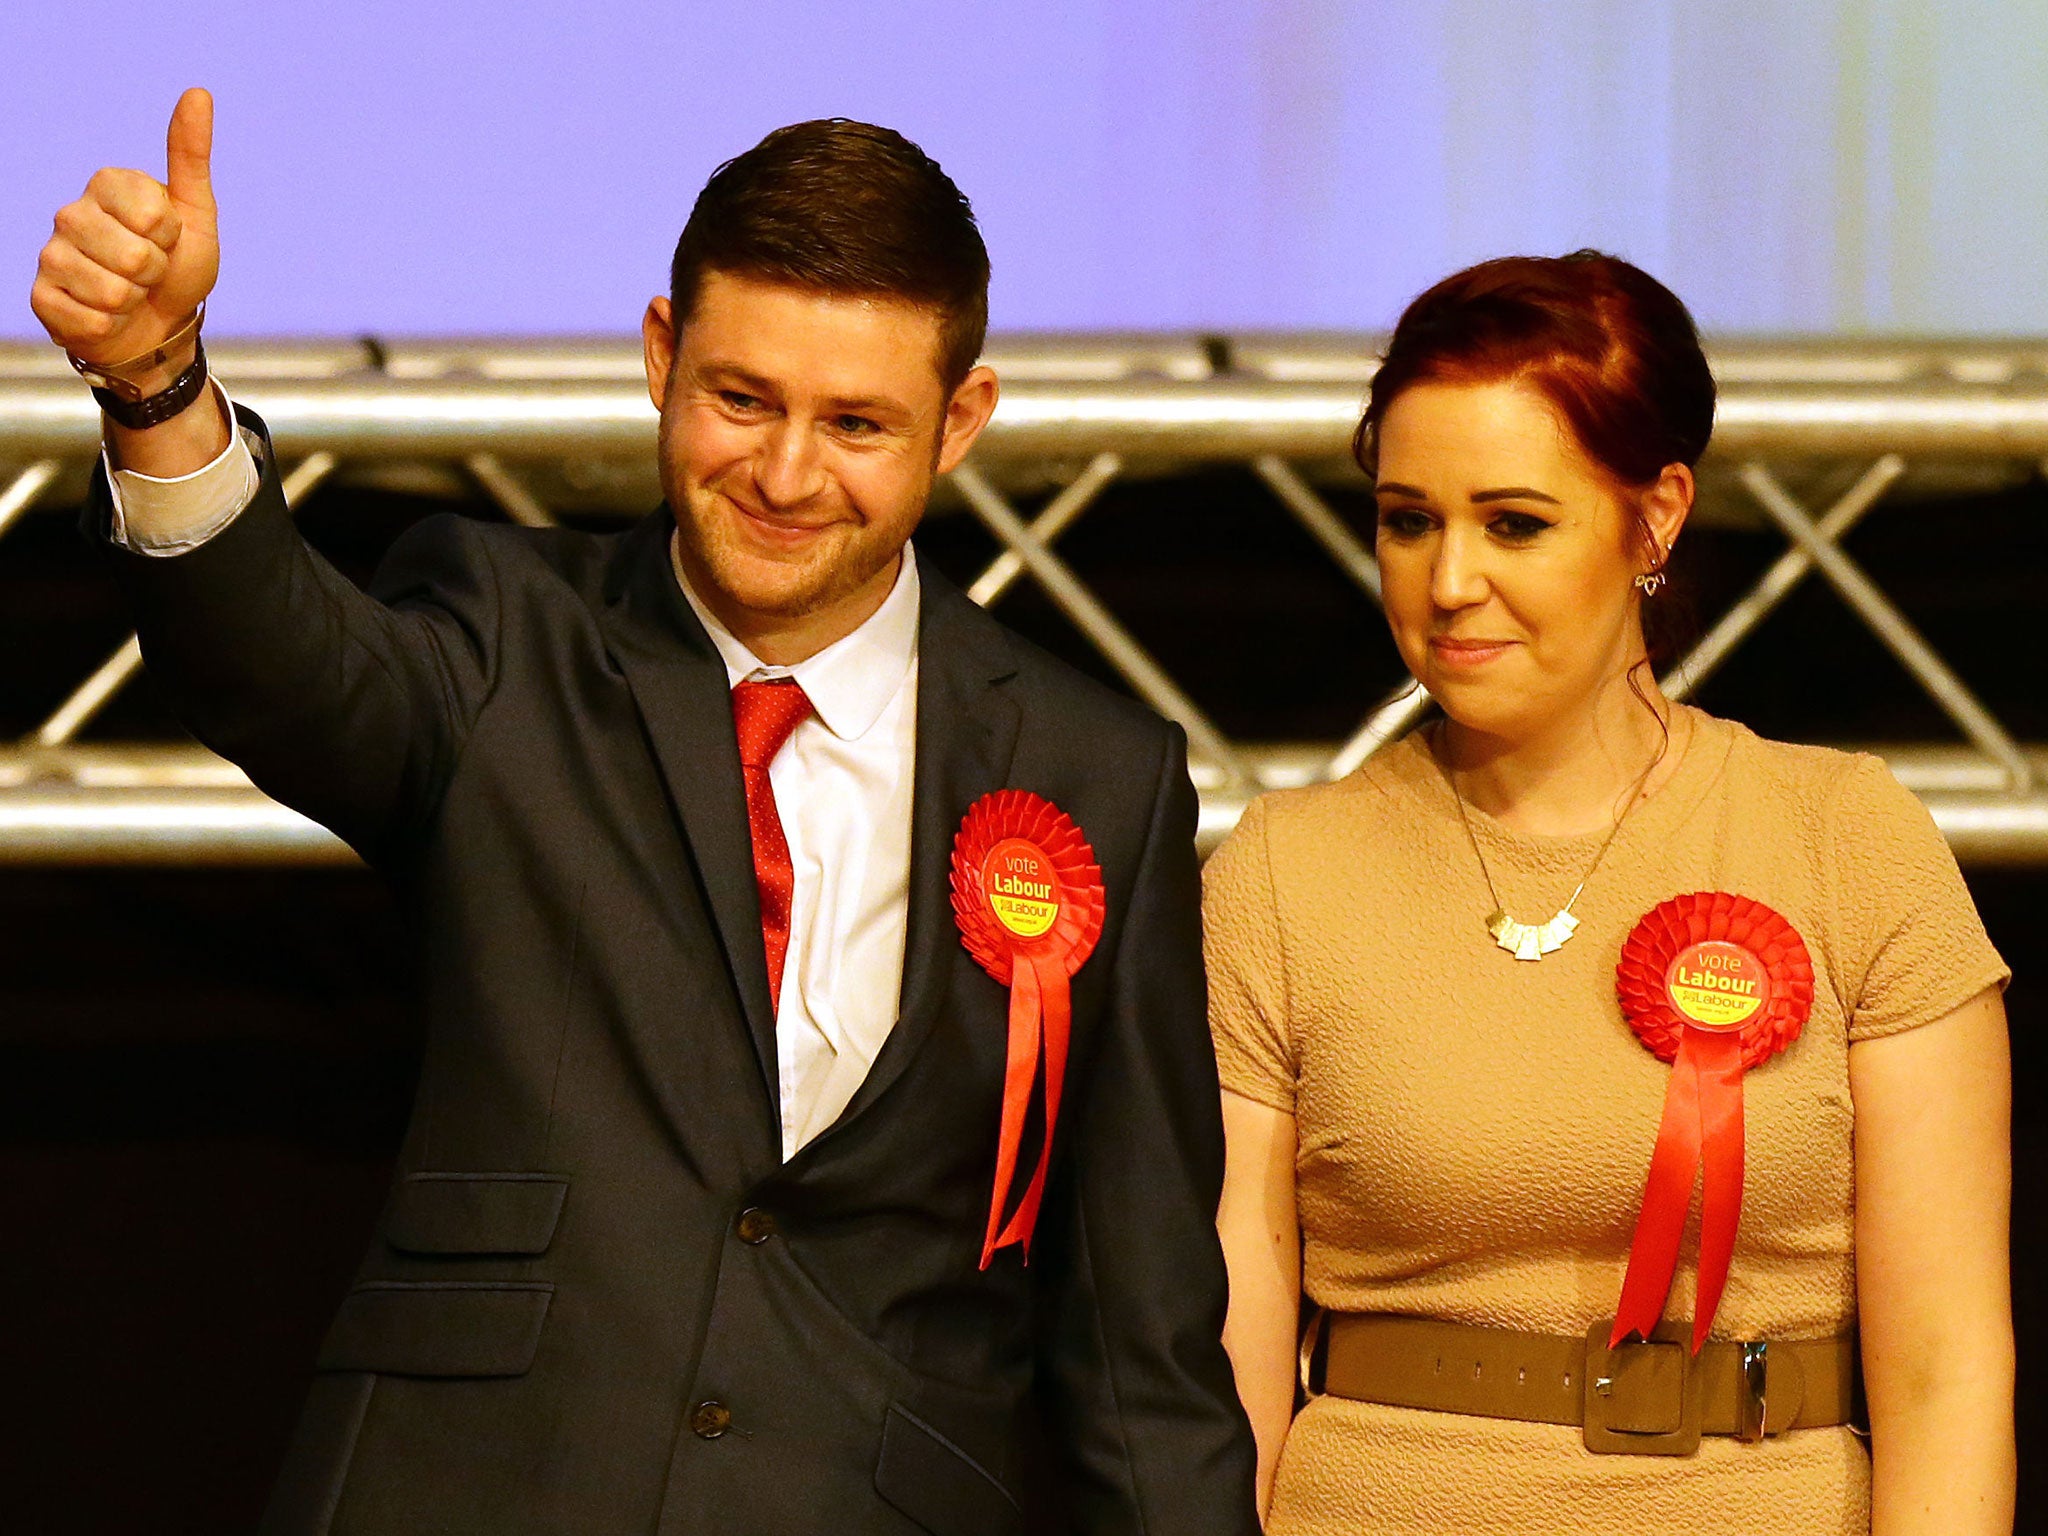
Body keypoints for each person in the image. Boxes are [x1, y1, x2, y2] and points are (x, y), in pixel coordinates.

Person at [31, 88, 1259, 1536]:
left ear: (962, 421)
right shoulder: (505, 636)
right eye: (742, 399)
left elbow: (1140, 1345)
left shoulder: (1096, 773)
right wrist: (159, 382)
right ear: (663, 355)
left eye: (857, 422)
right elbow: (281, 668)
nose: (788, 474)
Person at [1206, 251, 2013, 1534]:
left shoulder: (1844, 840)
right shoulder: (1276, 875)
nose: (1447, 580)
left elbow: (1943, 1368)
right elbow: (1224, 1375)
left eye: (1513, 523)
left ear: (1655, 517)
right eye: (1408, 519)